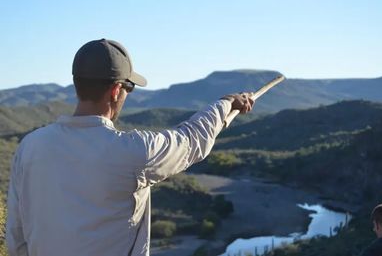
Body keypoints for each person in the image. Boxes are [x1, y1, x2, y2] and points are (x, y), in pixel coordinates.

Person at [6, 39, 254, 256]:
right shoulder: (133, 152)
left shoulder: (30, 147)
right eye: (129, 88)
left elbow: (16, 237)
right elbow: (190, 141)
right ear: (115, 91)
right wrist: (226, 103)